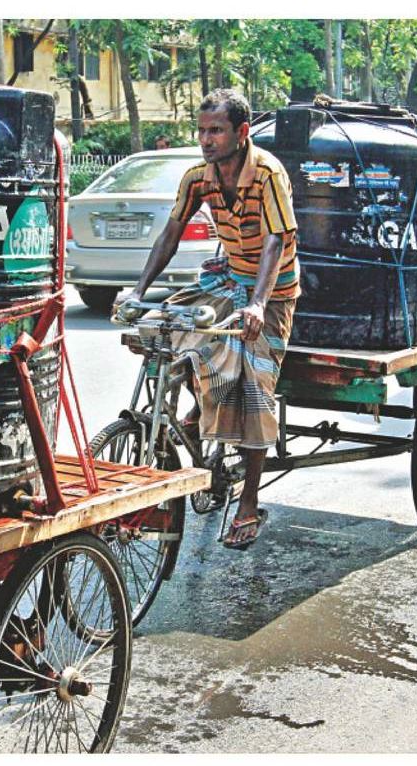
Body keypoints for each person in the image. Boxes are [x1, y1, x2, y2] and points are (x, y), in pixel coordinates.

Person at [114, 89, 299, 550]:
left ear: (242, 132)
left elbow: (276, 241)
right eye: (201, 131)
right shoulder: (199, 177)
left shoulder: (268, 174)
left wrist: (258, 304)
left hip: (272, 291)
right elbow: (172, 231)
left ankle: (249, 500)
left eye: (215, 130)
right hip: (228, 278)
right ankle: (196, 413)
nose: (205, 139)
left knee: (254, 384)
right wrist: (137, 291)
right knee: (169, 331)